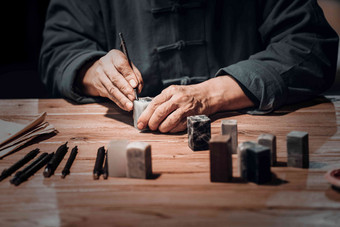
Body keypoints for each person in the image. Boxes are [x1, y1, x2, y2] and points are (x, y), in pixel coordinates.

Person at [39, 0, 339, 133]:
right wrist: (93, 70)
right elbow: (58, 50)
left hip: (240, 135)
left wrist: (212, 95)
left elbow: (310, 46)